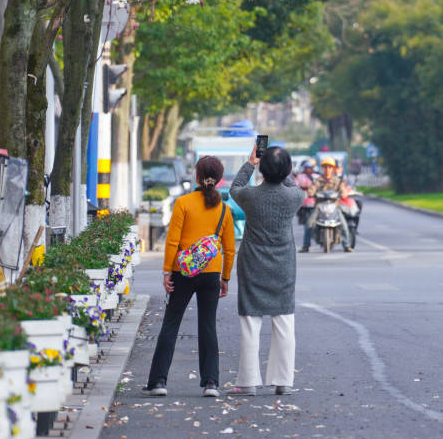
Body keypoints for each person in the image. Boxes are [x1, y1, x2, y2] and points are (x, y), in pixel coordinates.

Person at [144, 156, 236, 398]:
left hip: (182, 272)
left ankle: (158, 382)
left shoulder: (183, 203)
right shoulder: (224, 209)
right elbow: (229, 248)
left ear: (197, 176)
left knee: (171, 324)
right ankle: (211, 383)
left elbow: (173, 240)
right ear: (219, 179)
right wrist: (225, 277)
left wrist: (167, 271)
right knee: (208, 326)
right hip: (211, 273)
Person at [229, 144, 306, 396]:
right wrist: (284, 171)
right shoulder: (294, 197)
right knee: (284, 321)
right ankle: (283, 381)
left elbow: (234, 188)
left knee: (250, 322)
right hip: (283, 264)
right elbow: (292, 185)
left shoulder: (249, 196)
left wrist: (251, 163)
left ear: (262, 169)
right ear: (288, 170)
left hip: (252, 262)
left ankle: (248, 382)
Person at [300, 157, 352, 252]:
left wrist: (344, 194)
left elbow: (343, 190)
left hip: (334, 206)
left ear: (333, 169)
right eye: (325, 167)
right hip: (319, 206)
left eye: (329, 167)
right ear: (322, 168)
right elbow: (311, 189)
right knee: (309, 223)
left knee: (344, 225)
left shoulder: (337, 181)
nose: (327, 169)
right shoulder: (317, 180)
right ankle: (305, 246)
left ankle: (347, 245)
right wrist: (310, 193)